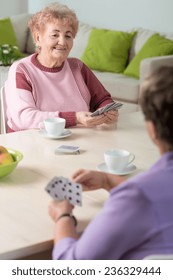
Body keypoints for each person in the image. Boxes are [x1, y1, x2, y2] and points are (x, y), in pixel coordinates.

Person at [48, 66, 173, 259]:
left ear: (152, 129)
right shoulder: (142, 194)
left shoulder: (138, 197)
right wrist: (109, 181)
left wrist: (62, 216)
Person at [5, 2, 118, 133]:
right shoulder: (22, 70)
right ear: (38, 37)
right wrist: (75, 118)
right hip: (29, 143)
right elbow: (24, 118)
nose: (63, 42)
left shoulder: (78, 67)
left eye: (68, 36)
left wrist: (109, 111)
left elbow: (103, 99)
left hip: (77, 140)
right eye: (55, 35)